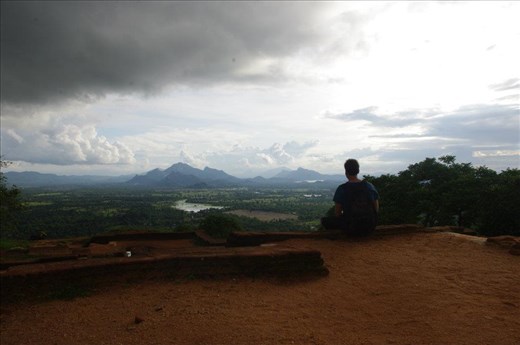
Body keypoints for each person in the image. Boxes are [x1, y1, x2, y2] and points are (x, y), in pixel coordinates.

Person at [322, 159, 379, 236]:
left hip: (350, 227)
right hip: (370, 226)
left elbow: (337, 213)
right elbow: (376, 209)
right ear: (358, 171)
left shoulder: (342, 189)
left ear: (346, 172)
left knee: (324, 221)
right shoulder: (369, 186)